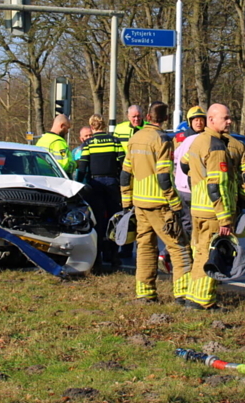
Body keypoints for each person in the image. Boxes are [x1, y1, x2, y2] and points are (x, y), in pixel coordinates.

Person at [183, 103, 245, 310]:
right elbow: (217, 185)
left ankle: (193, 297)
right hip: (213, 212)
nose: (230, 121)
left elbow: (186, 166)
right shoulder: (217, 147)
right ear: (211, 120)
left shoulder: (197, 141)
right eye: (226, 118)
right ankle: (204, 301)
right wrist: (226, 218)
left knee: (200, 253)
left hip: (198, 208)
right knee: (211, 255)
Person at [121, 102, 190, 304]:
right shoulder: (162, 140)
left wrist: (127, 202)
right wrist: (176, 204)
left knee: (145, 247)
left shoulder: (134, 139)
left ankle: (145, 292)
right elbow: (164, 178)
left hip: (140, 203)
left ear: (147, 116)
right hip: (159, 204)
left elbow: (126, 175)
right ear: (165, 118)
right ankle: (183, 294)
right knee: (179, 247)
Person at [76, 114, 124, 269]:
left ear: (92, 127)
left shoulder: (88, 144)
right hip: (112, 183)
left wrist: (77, 186)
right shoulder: (115, 141)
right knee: (114, 219)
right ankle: (114, 256)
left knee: (97, 221)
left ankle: (97, 259)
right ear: (103, 125)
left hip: (95, 184)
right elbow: (124, 164)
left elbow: (82, 168)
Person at [173, 106, 207, 238]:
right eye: (195, 120)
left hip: (186, 187)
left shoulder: (203, 137)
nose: (198, 123)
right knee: (190, 224)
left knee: (187, 223)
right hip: (189, 188)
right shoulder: (183, 139)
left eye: (201, 120)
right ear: (189, 122)